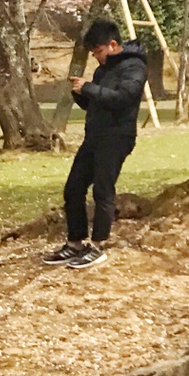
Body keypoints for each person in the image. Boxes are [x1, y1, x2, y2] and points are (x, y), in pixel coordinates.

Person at [43, 19, 148, 270]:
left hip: (117, 137)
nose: (96, 57)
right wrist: (80, 94)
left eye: (98, 52)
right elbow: (97, 103)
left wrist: (89, 88)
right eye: (93, 54)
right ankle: (75, 243)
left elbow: (124, 98)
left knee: (103, 189)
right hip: (95, 136)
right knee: (73, 188)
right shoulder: (103, 70)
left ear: (112, 45)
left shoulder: (134, 66)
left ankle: (99, 245)